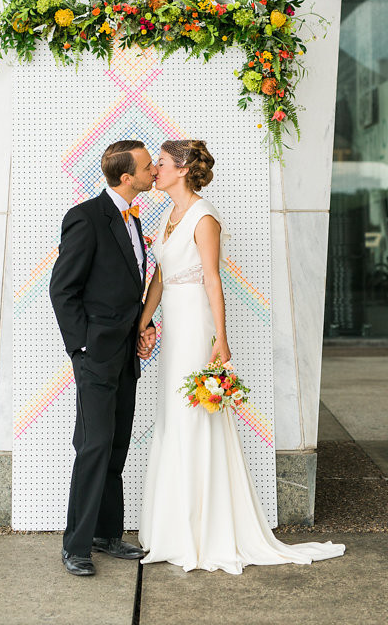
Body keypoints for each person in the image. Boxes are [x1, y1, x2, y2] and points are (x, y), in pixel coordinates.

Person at [136, 139, 346, 574]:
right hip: (174, 323)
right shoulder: (167, 216)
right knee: (173, 417)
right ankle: (172, 528)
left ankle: (203, 531)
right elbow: (159, 276)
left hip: (196, 325)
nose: (154, 169)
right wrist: (143, 321)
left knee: (193, 414)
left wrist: (222, 341)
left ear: (181, 168)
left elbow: (213, 281)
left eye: (160, 163)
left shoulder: (203, 216)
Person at [50, 140, 157, 576]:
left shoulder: (134, 219)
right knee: (93, 446)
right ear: (127, 176)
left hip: (125, 352)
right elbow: (63, 288)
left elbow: (129, 288)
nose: (155, 171)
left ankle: (107, 534)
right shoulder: (86, 217)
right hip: (95, 354)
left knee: (116, 444)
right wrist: (82, 347)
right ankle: (76, 546)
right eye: (148, 166)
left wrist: (143, 329)